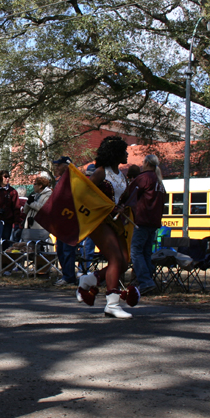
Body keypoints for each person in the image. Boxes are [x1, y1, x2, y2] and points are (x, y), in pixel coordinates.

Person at [76, 136, 140, 318]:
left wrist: (124, 208)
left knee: (124, 262)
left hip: (116, 221)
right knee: (114, 259)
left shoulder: (122, 176)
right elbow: (82, 194)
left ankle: (88, 280)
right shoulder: (100, 173)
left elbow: (124, 198)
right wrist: (105, 205)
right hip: (99, 221)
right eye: (123, 150)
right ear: (114, 153)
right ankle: (112, 304)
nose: (127, 153)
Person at [121, 154, 166, 295]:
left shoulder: (144, 177)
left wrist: (122, 203)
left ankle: (145, 281)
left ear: (146, 163)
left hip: (142, 220)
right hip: (154, 222)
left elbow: (129, 193)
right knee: (146, 252)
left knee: (136, 251)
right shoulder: (159, 181)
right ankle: (147, 282)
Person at [52, 156, 77, 286]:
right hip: (60, 219)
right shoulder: (60, 180)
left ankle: (69, 277)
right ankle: (66, 274)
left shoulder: (72, 180)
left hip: (69, 219)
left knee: (68, 249)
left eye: (58, 165)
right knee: (60, 248)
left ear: (66, 166)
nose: (56, 167)